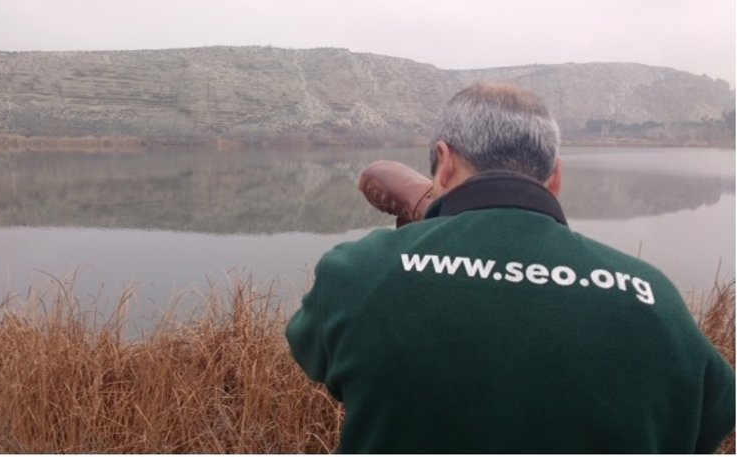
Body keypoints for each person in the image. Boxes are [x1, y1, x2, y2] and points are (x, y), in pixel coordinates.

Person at [285, 82, 735, 453]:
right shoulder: (652, 297)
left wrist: (428, 231)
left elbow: (314, 353)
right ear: (556, 177)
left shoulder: (358, 270)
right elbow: (712, 420)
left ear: (444, 162)